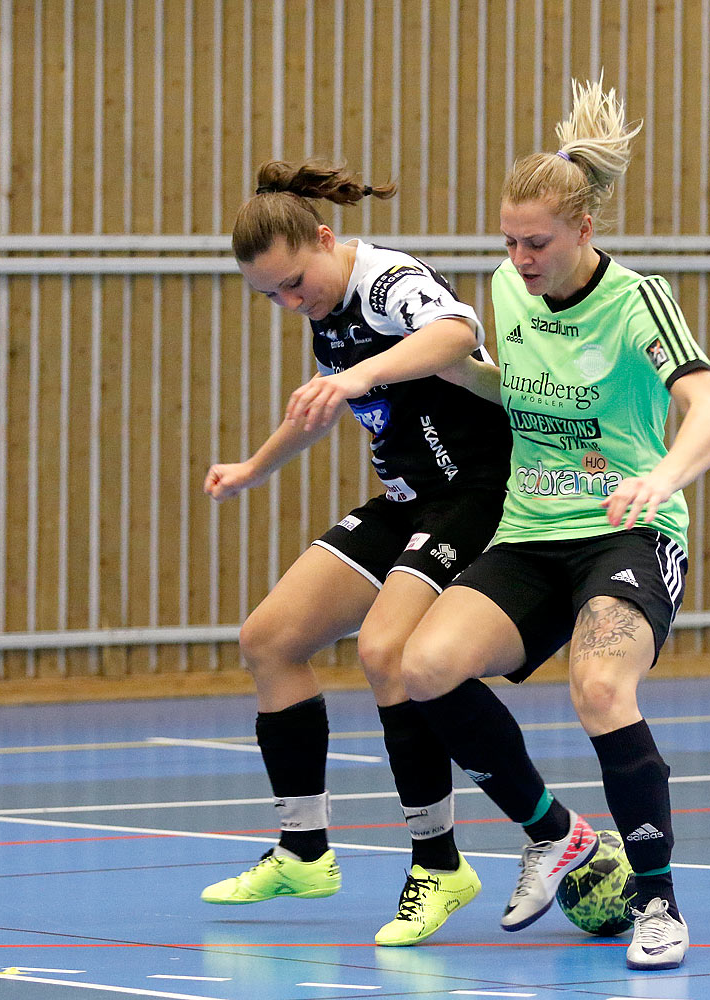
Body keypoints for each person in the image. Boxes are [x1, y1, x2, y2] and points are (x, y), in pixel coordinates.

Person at [395, 77, 710, 971]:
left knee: (599, 687)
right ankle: (554, 834)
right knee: (422, 668)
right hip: (531, 531)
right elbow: (515, 386)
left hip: (631, 530)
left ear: (585, 231)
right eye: (508, 241)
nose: (520, 256)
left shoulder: (638, 301)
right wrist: (442, 371)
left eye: (537, 241)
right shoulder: (508, 291)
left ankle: (659, 904)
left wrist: (659, 476)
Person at [199, 159, 511, 947]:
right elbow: (321, 405)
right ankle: (304, 850)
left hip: (475, 494)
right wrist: (253, 468)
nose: (287, 302)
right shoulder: (327, 309)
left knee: (385, 651)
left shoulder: (384, 282)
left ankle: (438, 866)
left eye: (294, 283)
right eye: (269, 295)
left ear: (327, 239)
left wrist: (362, 372)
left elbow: (457, 333)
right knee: (269, 639)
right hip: (407, 500)